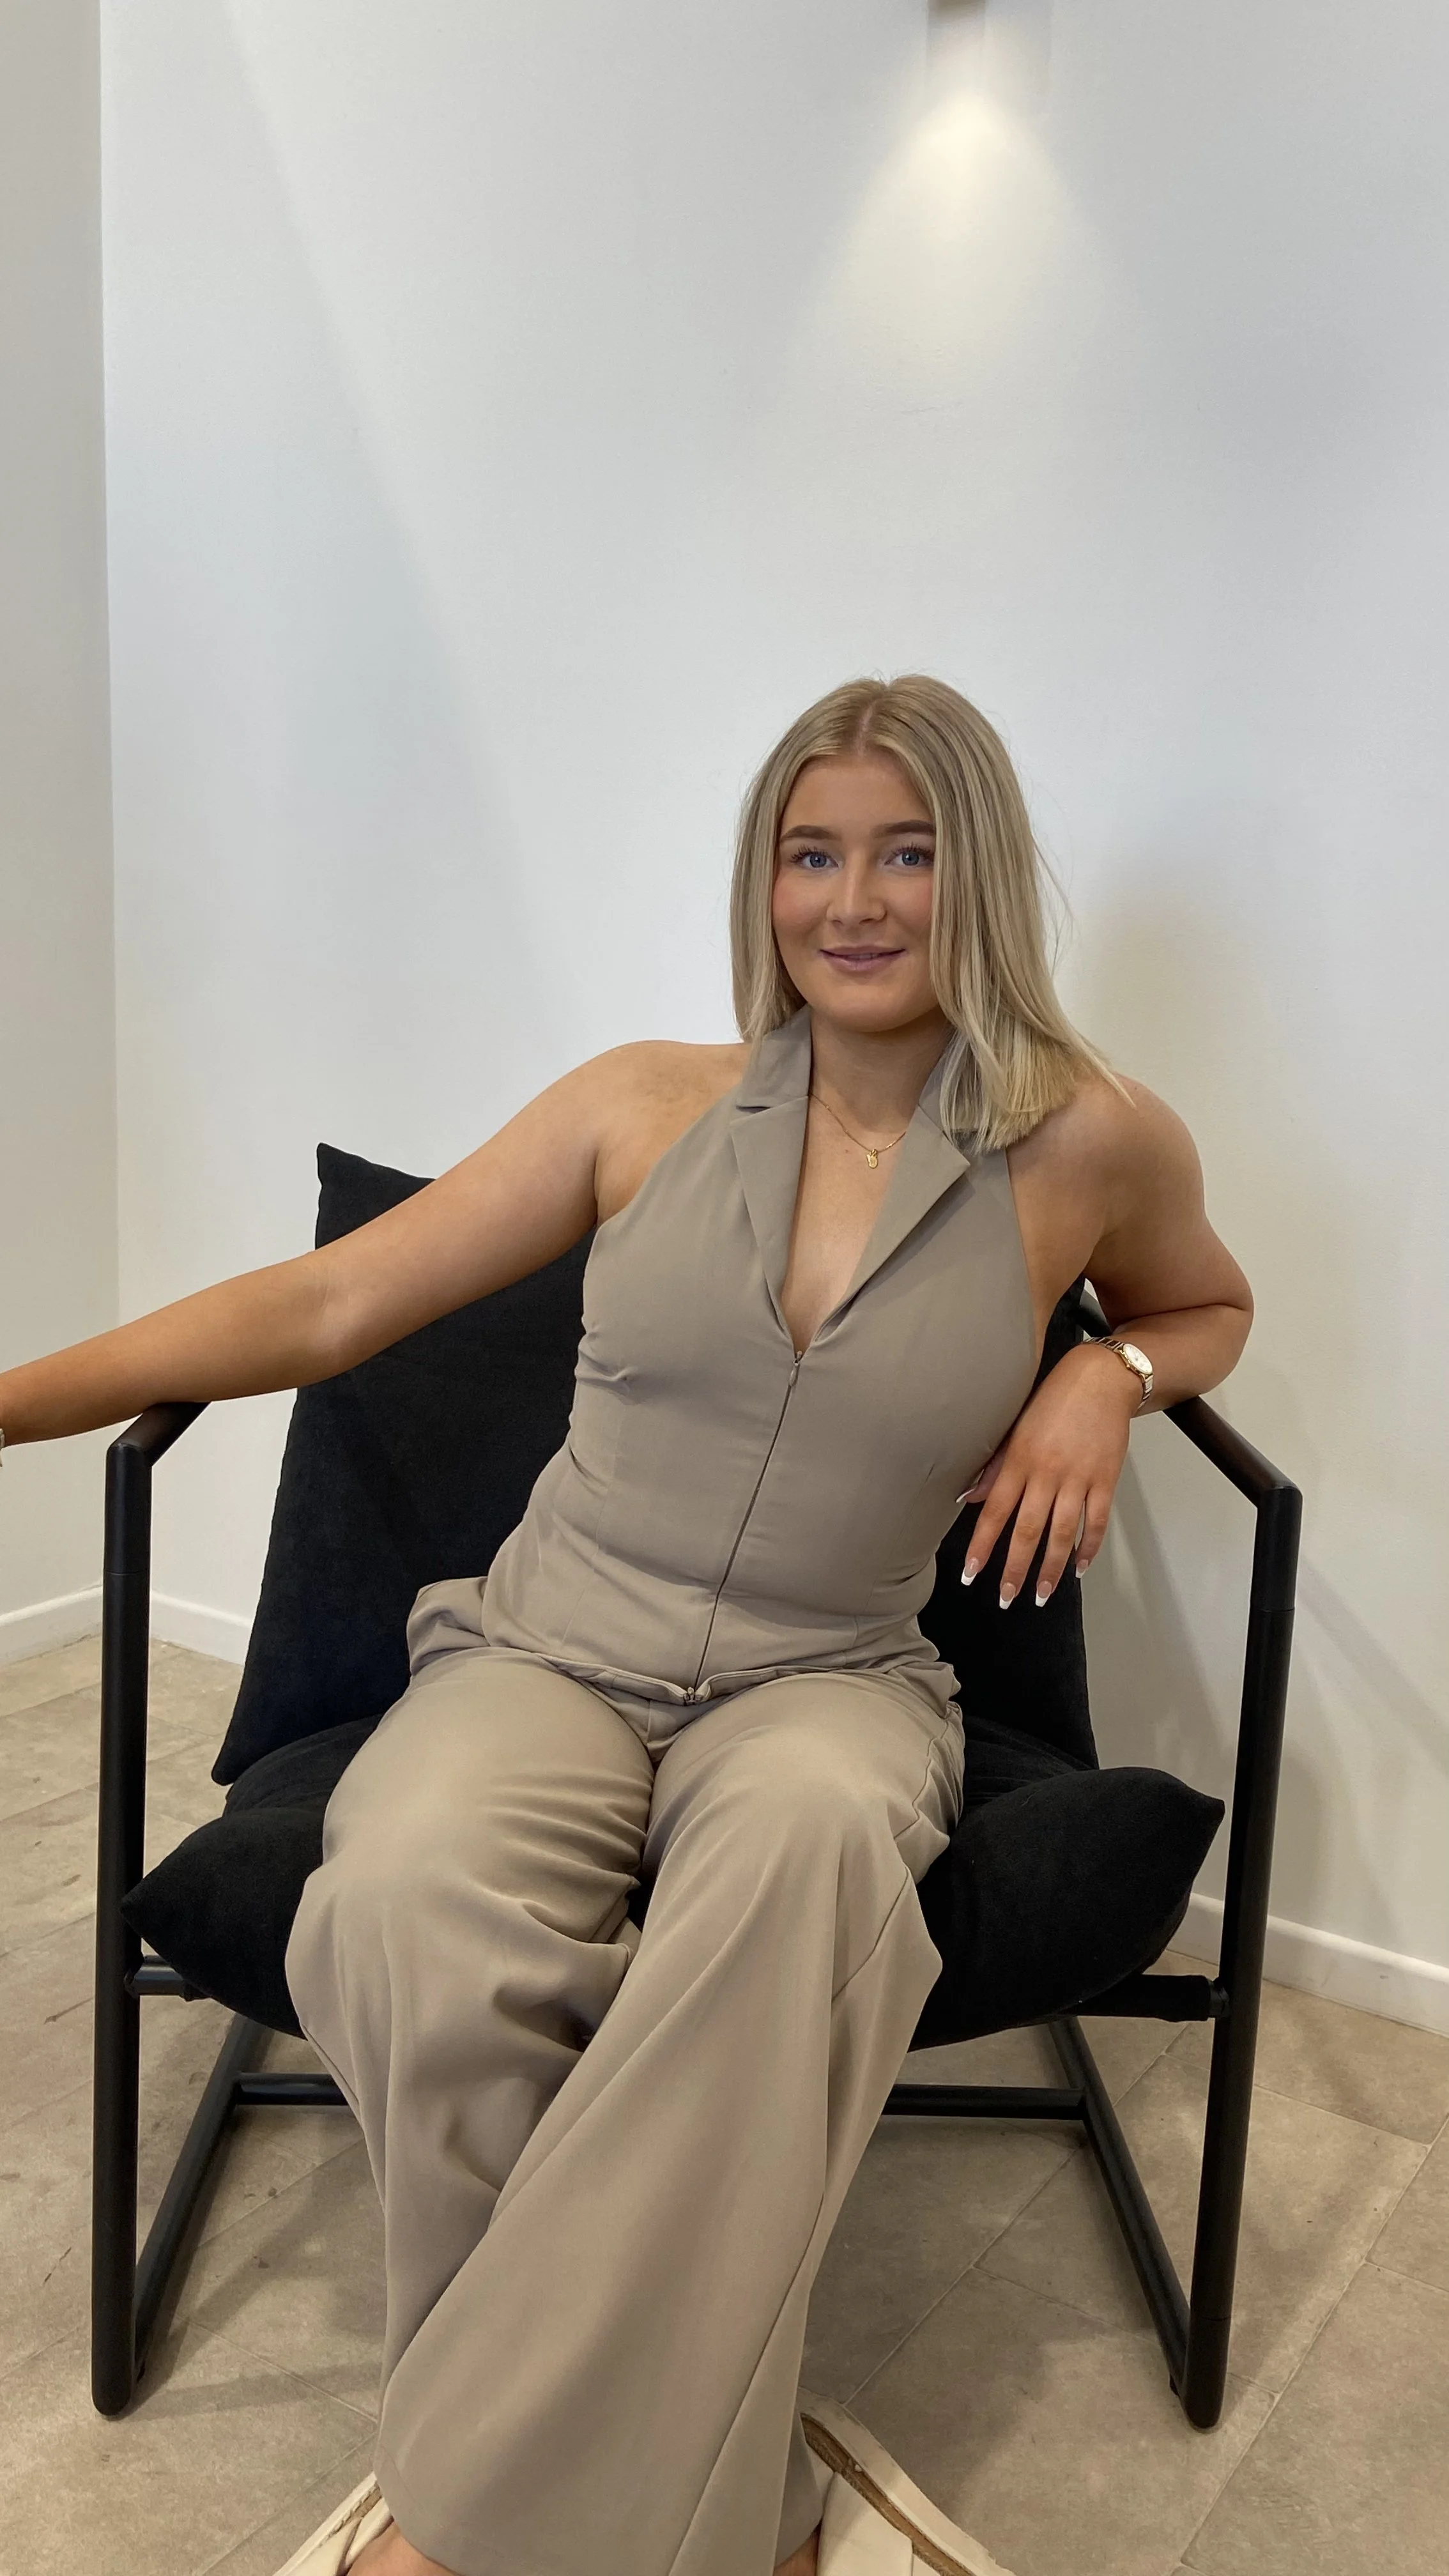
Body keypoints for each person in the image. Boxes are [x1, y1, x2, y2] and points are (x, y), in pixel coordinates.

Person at [0, 676, 1252, 2576]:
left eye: (904, 853)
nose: (853, 899)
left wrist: (1111, 1378)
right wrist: (13, 1399)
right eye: (808, 853)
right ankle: (705, 2513)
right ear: (761, 885)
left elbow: (1211, 1303)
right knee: (401, 1901)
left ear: (975, 875)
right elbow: (331, 1313)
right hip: (544, 1650)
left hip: (831, 1681)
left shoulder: (1089, 1143)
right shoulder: (639, 1105)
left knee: (816, 1871)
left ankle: (456, 2523)